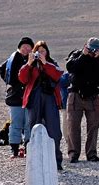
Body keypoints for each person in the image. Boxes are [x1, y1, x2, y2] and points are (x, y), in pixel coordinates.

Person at [18, 41, 64, 170]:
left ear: (47, 52)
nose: (40, 53)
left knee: (53, 130)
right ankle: (34, 161)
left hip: (50, 99)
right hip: (35, 99)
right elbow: (22, 78)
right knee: (33, 129)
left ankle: (56, 161)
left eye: (43, 51)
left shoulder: (51, 64)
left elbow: (58, 75)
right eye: (38, 51)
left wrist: (45, 63)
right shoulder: (30, 65)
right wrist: (29, 63)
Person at [66, 37, 99, 163]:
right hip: (76, 94)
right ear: (86, 46)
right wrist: (83, 56)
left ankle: (91, 153)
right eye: (90, 48)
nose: (92, 51)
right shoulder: (76, 55)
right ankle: (73, 154)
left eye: (95, 49)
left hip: (92, 96)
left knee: (93, 126)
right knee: (73, 125)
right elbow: (71, 67)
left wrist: (97, 59)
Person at [0, 37, 34, 158]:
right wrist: (10, 82)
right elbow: (2, 69)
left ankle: (29, 148)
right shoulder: (13, 59)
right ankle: (14, 149)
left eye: (28, 46)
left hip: (30, 97)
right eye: (23, 46)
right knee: (15, 123)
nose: (26, 48)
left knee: (29, 124)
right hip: (15, 97)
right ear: (19, 47)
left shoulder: (33, 59)